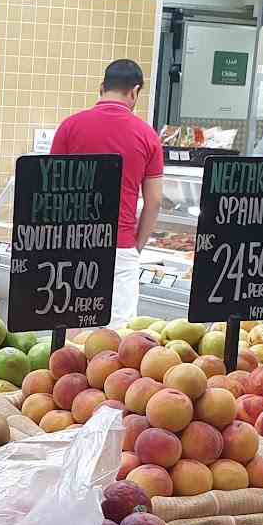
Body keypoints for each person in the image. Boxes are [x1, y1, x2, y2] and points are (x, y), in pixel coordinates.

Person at [50, 58, 165, 327]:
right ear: (135, 91)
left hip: (73, 245)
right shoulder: (147, 136)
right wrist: (134, 247)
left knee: (71, 333)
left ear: (101, 87)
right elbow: (155, 201)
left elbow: (52, 190)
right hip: (120, 246)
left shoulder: (70, 127)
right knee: (115, 342)